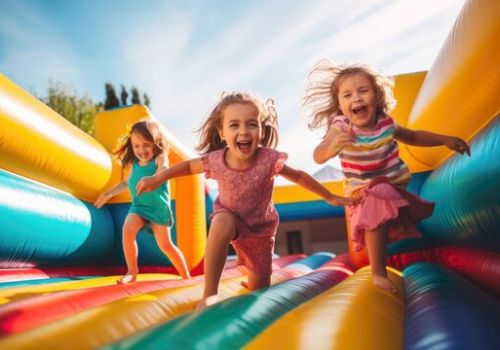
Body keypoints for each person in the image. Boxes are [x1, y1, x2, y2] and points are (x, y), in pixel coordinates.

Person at [136, 92, 358, 308]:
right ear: (222, 132)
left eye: (251, 124)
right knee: (221, 219)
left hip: (259, 233)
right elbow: (187, 166)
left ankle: (253, 277)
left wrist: (329, 196)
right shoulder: (216, 160)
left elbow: (299, 176)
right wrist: (158, 178)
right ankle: (210, 293)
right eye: (234, 125)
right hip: (229, 220)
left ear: (261, 131)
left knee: (259, 290)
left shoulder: (269, 159)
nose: (244, 131)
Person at [304, 60, 470, 293]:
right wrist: (331, 147)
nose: (357, 99)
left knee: (382, 201)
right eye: (348, 95)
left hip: (392, 186)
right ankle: (378, 273)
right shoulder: (341, 126)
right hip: (362, 192)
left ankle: (387, 253)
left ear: (377, 96)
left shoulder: (386, 123)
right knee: (375, 205)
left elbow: (413, 137)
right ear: (340, 106)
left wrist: (444, 139)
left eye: (363, 91)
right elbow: (318, 155)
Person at [94, 120, 191, 284]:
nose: (141, 150)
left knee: (166, 245)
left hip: (157, 208)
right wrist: (108, 193)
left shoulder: (160, 158)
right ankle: (132, 272)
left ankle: (186, 276)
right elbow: (126, 182)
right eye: (136, 146)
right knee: (127, 231)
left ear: (155, 143)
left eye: (146, 145)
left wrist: (156, 177)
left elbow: (164, 169)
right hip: (138, 207)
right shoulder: (134, 165)